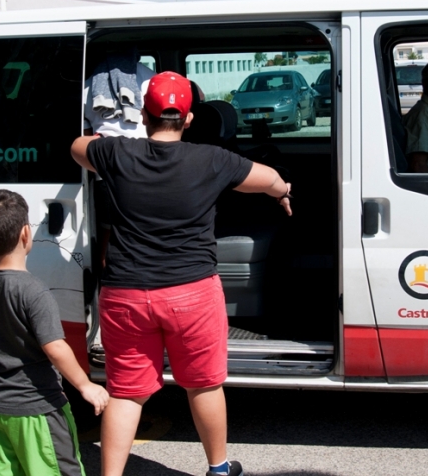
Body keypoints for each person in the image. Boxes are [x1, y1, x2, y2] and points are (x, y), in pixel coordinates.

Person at [70, 71, 293, 476]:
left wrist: (107, 141)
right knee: (203, 385)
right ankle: (219, 469)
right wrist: (281, 192)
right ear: (189, 118)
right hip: (191, 294)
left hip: (127, 296)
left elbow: (77, 147)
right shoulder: (212, 159)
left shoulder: (118, 154)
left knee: (126, 394)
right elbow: (269, 179)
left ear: (143, 113)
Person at [0, 189, 109, 476]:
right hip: (38, 409)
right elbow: (55, 347)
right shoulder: (34, 290)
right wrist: (86, 386)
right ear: (26, 233)